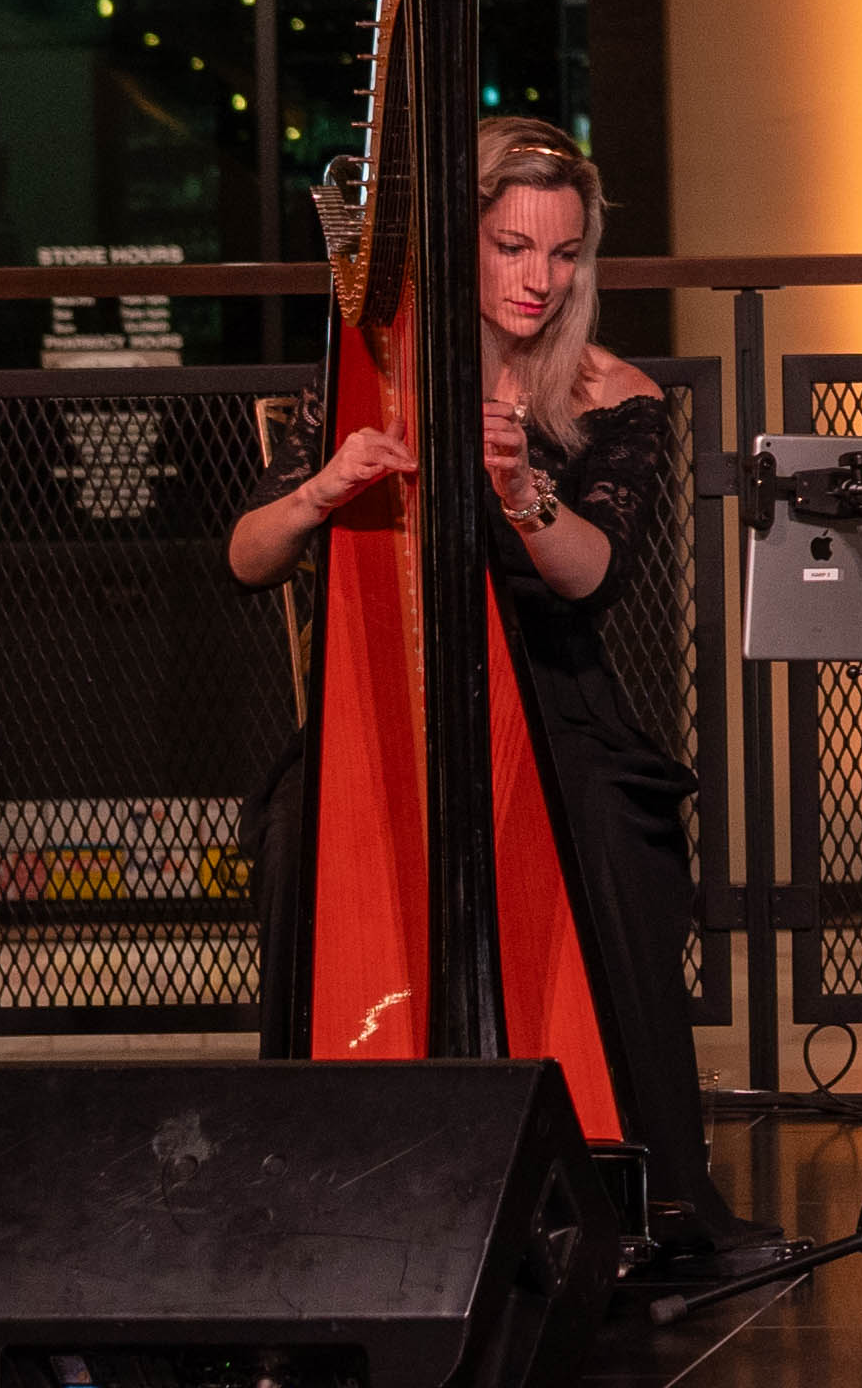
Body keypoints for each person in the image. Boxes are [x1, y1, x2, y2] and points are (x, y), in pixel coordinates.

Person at [231, 110, 729, 1243]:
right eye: (512, 248)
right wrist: (320, 491)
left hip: (559, 710)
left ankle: (632, 1180)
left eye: (563, 253)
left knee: (606, 833)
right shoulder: (371, 384)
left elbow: (596, 577)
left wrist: (523, 495)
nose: (539, 279)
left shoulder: (612, 394)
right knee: (305, 823)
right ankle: (331, 1166)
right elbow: (247, 558)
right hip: (394, 703)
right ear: (458, 247)